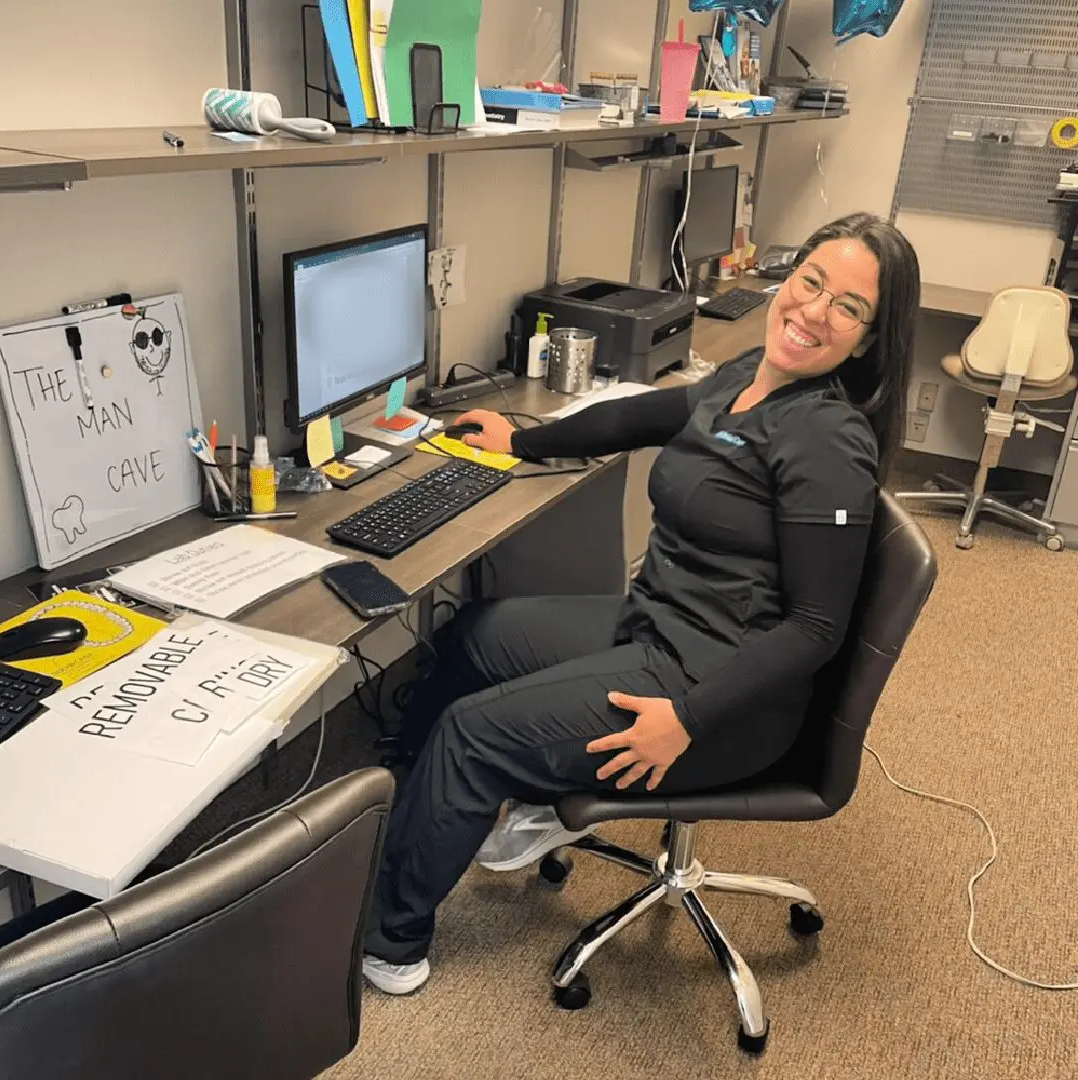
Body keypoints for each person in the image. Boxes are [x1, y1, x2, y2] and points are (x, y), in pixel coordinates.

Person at [362, 212, 921, 995]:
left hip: (712, 696)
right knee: (479, 637)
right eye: (811, 282)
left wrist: (688, 719)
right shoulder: (748, 377)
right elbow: (640, 415)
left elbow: (816, 629)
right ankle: (396, 811)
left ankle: (389, 938)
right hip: (654, 627)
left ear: (867, 340)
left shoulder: (825, 440)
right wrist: (518, 442)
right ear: (788, 279)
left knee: (471, 734)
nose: (814, 311)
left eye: (849, 307)